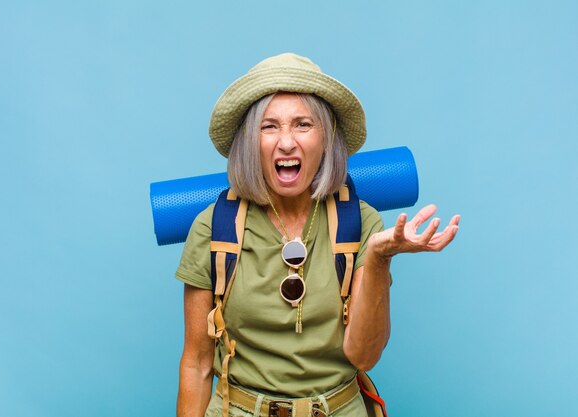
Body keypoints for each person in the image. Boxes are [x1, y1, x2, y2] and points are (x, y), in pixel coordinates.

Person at [175, 53, 459, 417]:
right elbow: (197, 364)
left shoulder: (361, 222)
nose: (287, 142)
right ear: (250, 142)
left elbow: (364, 355)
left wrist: (376, 258)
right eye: (269, 126)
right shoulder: (213, 227)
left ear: (326, 139)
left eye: (303, 125)